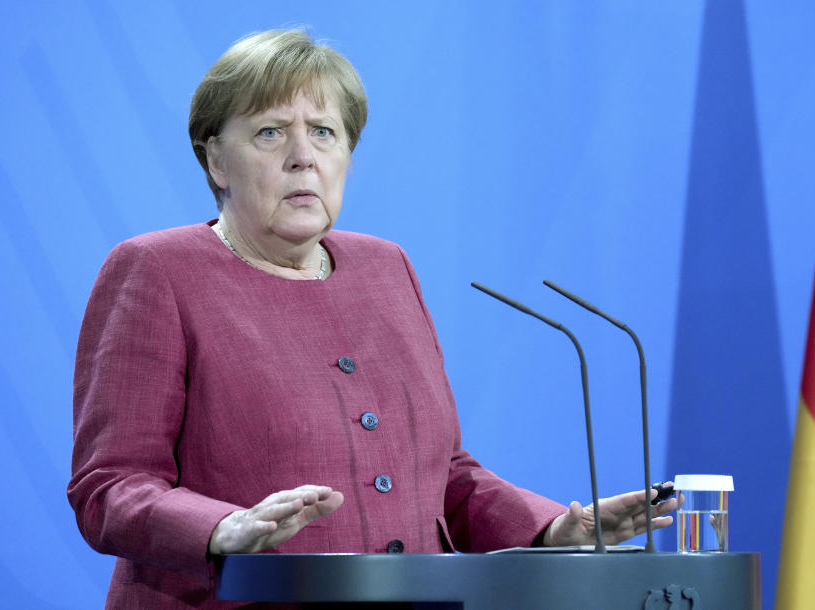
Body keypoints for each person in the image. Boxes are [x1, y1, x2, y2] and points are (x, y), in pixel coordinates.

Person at [68, 29, 678, 608]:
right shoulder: (157, 271)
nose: (303, 157)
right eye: (271, 133)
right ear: (217, 163)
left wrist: (554, 529)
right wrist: (223, 527)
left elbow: (445, 475)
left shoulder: (388, 269)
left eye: (325, 133)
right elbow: (111, 486)